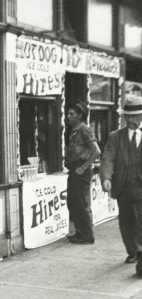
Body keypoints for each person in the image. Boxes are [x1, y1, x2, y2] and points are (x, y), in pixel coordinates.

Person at [101, 95, 142, 274]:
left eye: (134, 116)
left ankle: (140, 253)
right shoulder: (115, 137)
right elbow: (107, 158)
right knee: (126, 221)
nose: (130, 120)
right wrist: (106, 178)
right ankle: (132, 251)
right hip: (124, 187)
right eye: (128, 116)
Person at [65, 101, 101, 245]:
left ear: (80, 115)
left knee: (81, 203)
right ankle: (80, 232)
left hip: (81, 170)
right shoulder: (75, 130)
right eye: (67, 113)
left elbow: (96, 151)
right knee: (73, 202)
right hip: (75, 169)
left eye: (71, 114)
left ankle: (87, 236)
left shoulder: (83, 129)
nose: (68, 116)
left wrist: (83, 167)